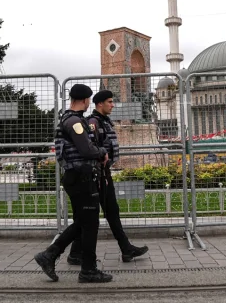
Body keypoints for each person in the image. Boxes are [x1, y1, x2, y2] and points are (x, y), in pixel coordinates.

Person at [34, 84, 112, 283]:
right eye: (89, 100)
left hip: (78, 177)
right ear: (85, 100)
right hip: (80, 177)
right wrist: (102, 152)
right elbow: (86, 149)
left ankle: (52, 255)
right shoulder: (75, 121)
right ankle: (86, 270)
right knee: (89, 223)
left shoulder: (70, 119)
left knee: (84, 222)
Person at [67, 89, 148, 265]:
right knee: (90, 216)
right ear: (99, 104)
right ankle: (76, 253)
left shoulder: (104, 121)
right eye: (109, 102)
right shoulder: (94, 122)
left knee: (110, 211)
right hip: (97, 175)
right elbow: (90, 148)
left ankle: (125, 249)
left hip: (103, 173)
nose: (112, 105)